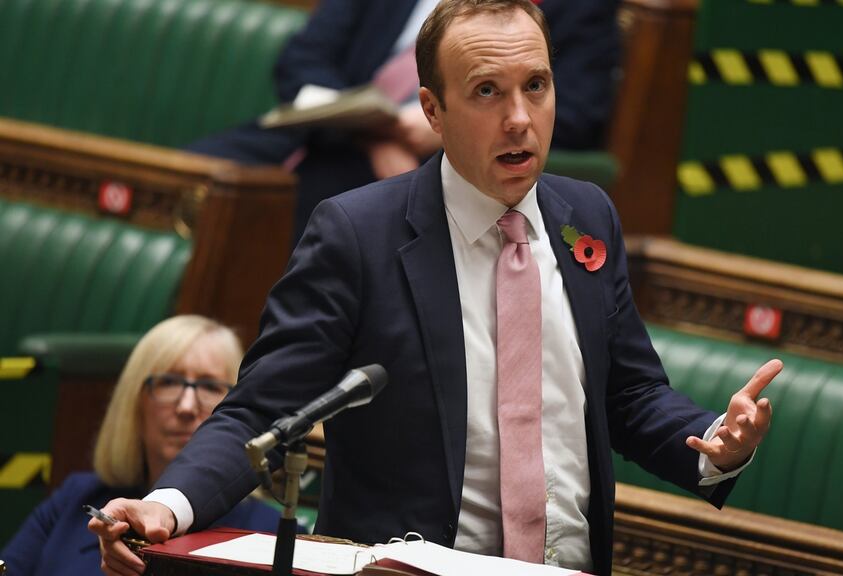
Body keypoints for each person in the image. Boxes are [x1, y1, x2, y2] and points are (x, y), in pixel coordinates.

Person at [92, 2, 780, 575]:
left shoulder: (587, 216)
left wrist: (714, 439)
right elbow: (261, 412)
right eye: (487, 92)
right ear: (432, 109)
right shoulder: (358, 236)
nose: (519, 118)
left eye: (536, 86)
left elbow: (627, 394)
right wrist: (168, 505)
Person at [186, 0, 620, 244]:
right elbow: (302, 59)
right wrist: (374, 130)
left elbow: (576, 112)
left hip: (438, 162)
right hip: (323, 132)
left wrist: (442, 126)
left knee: (339, 205)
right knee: (188, 175)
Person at [1, 316, 284, 576]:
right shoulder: (75, 498)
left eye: (210, 386)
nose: (186, 407)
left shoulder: (268, 533)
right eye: (168, 382)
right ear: (134, 402)